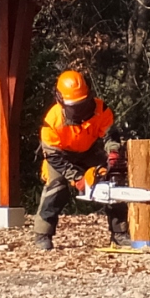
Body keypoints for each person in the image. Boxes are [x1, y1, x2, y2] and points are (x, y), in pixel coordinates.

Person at [33, 70, 128, 252]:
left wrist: (113, 152)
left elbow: (110, 136)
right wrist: (77, 178)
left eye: (83, 103)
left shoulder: (101, 110)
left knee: (112, 181)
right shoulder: (52, 121)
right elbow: (53, 156)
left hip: (89, 150)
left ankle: (120, 232)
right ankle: (42, 234)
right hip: (61, 155)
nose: (79, 109)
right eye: (74, 105)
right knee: (56, 187)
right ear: (60, 100)